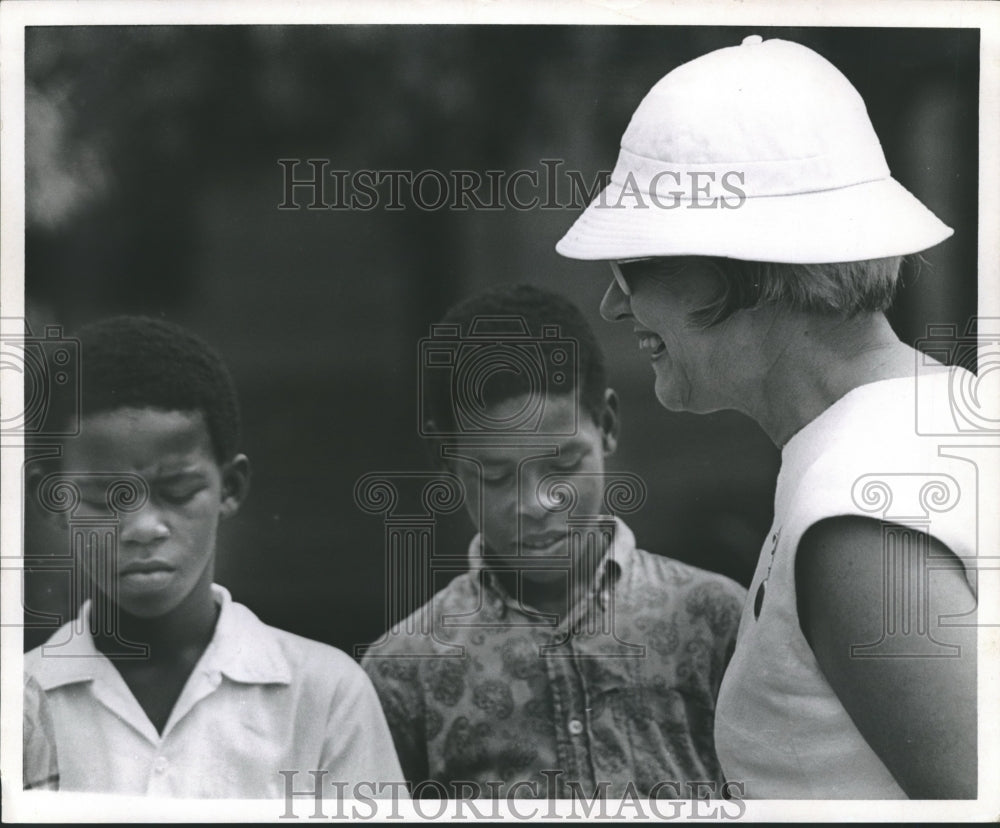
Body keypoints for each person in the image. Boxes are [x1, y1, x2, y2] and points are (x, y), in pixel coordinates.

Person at [555, 36, 985, 799]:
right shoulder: (922, 428)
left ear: (742, 265)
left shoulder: (861, 508)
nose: (613, 302)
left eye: (634, 260)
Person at [361, 284, 746, 800]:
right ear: (447, 463)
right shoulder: (405, 670)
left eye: (563, 464)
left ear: (607, 426)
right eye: (496, 476)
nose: (536, 503)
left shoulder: (713, 619)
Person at [24, 316, 405, 798]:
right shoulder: (17, 704)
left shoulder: (324, 696)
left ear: (231, 487)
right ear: (53, 499)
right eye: (105, 497)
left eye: (178, 491)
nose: (144, 528)